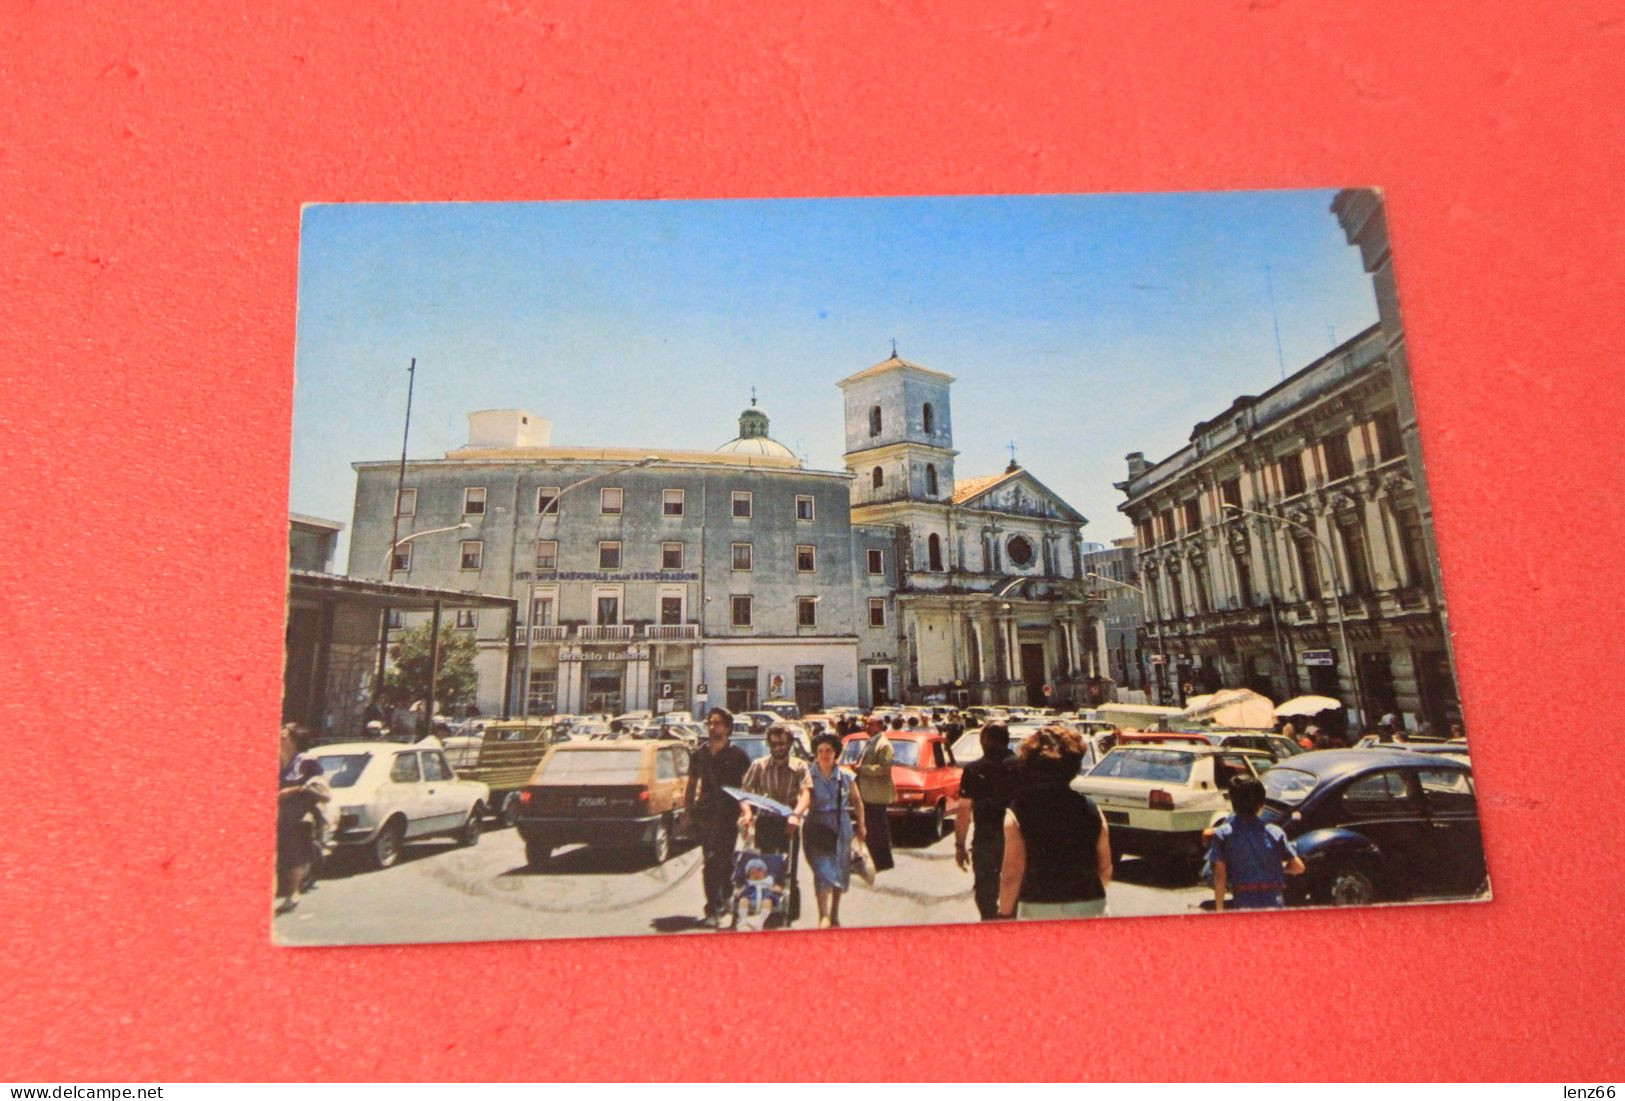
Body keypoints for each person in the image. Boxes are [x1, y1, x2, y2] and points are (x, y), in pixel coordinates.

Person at [997, 726, 1111, 920]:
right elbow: (1105, 867)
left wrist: (1004, 914)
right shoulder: (1092, 809)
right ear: (1073, 768)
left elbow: (1012, 874)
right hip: (1090, 906)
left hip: (1038, 908)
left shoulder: (1017, 812)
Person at [792, 732, 867, 928]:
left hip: (840, 825)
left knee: (839, 871)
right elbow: (803, 797)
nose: (825, 755)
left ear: (836, 753)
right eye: (821, 751)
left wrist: (861, 824)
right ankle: (822, 915)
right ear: (815, 754)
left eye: (829, 751)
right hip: (816, 825)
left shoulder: (846, 776)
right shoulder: (808, 775)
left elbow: (857, 802)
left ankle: (834, 913)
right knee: (822, 870)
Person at [685, 707, 751, 928]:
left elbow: (746, 787)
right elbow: (692, 784)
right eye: (710, 723)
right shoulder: (699, 754)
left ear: (728, 727)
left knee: (725, 860)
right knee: (710, 861)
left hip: (728, 815)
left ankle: (725, 897)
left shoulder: (738, 756)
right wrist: (688, 812)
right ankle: (712, 907)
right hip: (706, 815)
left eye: (718, 723)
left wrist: (746, 812)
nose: (713, 727)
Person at [738, 723, 808, 921]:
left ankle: (788, 913)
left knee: (788, 871)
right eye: (775, 744)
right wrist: (747, 813)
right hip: (766, 824)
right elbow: (744, 794)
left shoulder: (799, 766)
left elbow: (806, 794)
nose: (779, 748)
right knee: (766, 868)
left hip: (789, 823)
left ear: (790, 744)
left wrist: (796, 814)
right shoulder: (759, 766)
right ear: (769, 745)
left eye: (783, 744)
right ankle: (768, 911)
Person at [955, 722, 1021, 920]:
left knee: (985, 892)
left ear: (985, 740)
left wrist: (960, 845)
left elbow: (964, 810)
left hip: (986, 840)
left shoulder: (973, 770)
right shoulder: (1022, 767)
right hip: (1016, 840)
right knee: (1015, 887)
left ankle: (990, 925)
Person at [1209, 775, 1305, 911]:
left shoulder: (1223, 834)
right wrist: (1277, 870)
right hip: (1273, 899)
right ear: (1261, 804)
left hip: (1244, 899)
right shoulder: (1275, 832)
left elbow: (1220, 876)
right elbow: (1299, 867)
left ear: (1233, 802)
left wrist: (1220, 909)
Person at [276, 756, 330, 914]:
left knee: (293, 856)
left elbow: (325, 794)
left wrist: (297, 789)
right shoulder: (285, 765)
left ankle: (293, 893)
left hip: (299, 819)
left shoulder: (309, 769)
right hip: (282, 817)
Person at [855, 717, 896, 873]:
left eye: (870, 724)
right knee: (872, 828)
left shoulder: (884, 744)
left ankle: (883, 862)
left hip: (877, 794)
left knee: (878, 828)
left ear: (879, 726)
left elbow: (884, 768)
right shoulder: (871, 741)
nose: (866, 726)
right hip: (868, 792)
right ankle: (875, 860)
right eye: (866, 724)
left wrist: (862, 769)